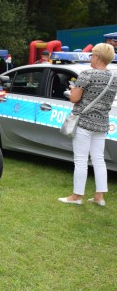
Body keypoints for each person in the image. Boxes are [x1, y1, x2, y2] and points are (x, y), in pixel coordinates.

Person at [58, 43, 117, 206]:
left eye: (92, 55)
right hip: (102, 123)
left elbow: (75, 98)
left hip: (84, 123)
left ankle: (77, 196)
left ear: (97, 56)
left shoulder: (86, 74)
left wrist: (72, 92)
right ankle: (100, 197)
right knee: (99, 159)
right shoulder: (114, 77)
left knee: (81, 160)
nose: (90, 57)